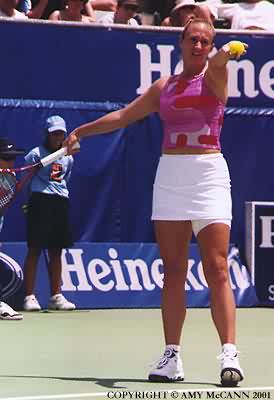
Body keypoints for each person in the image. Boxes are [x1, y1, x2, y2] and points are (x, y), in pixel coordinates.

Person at [64, 19, 248, 386]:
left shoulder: (215, 76)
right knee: (173, 270)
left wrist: (226, 53)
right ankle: (172, 357)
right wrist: (80, 131)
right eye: (193, 39)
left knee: (216, 268)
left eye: (205, 41)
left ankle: (229, 354)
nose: (198, 45)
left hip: (208, 175)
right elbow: (123, 116)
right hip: (170, 179)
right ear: (180, 42)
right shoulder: (164, 87)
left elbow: (216, 64)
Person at [23, 115, 76, 312]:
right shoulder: (35, 155)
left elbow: (65, 179)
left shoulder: (68, 157)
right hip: (40, 201)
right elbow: (28, 178)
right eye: (54, 134)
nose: (57, 137)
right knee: (35, 248)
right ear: (47, 134)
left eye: (61, 134)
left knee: (57, 250)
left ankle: (56, 296)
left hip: (60, 202)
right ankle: (29, 296)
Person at [0, 137, 25, 320]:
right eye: (6, 158)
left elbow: (4, 205)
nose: (11, 162)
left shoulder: (10, 177)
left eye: (13, 158)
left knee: (12, 273)